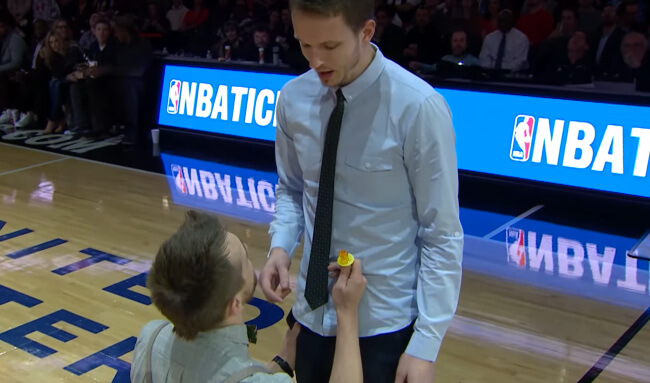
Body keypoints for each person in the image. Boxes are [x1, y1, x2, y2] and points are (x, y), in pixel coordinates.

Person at [259, 0, 464, 382]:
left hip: (382, 328)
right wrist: (280, 247)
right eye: (305, 45)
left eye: (330, 47)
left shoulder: (419, 108)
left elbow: (442, 234)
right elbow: (290, 188)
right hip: (309, 314)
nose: (316, 60)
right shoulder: (292, 98)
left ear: (366, 32)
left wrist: (425, 344)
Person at [131, 210, 367, 383]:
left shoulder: (150, 337)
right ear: (234, 305)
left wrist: (280, 364)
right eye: (245, 260)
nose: (246, 244)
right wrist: (346, 314)